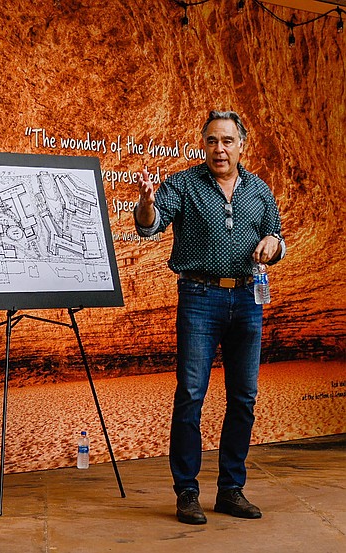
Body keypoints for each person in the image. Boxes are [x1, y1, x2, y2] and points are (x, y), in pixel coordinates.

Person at [133, 110, 286, 525]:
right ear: (204, 145)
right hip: (199, 297)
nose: (219, 149)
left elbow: (277, 236)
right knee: (191, 394)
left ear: (241, 145)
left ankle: (231, 490)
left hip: (248, 300)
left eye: (227, 141)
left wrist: (273, 242)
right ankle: (186, 491)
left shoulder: (259, 190)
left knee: (244, 397)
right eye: (212, 141)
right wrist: (147, 203)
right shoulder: (183, 184)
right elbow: (150, 226)